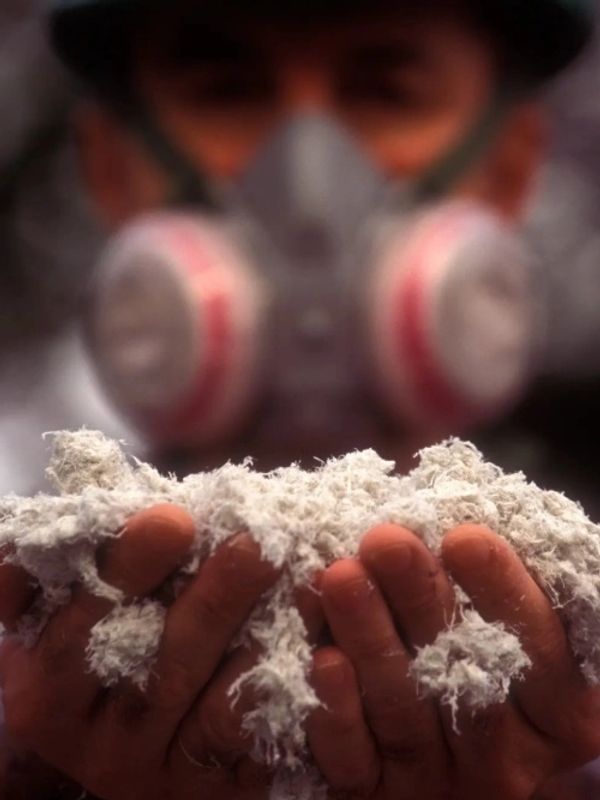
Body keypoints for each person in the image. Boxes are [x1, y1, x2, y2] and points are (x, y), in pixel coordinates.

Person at [0, 0, 598, 797]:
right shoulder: (24, 646)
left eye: (385, 91)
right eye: (228, 89)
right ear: (110, 165)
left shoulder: (586, 653)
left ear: (510, 167)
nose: (308, 180)